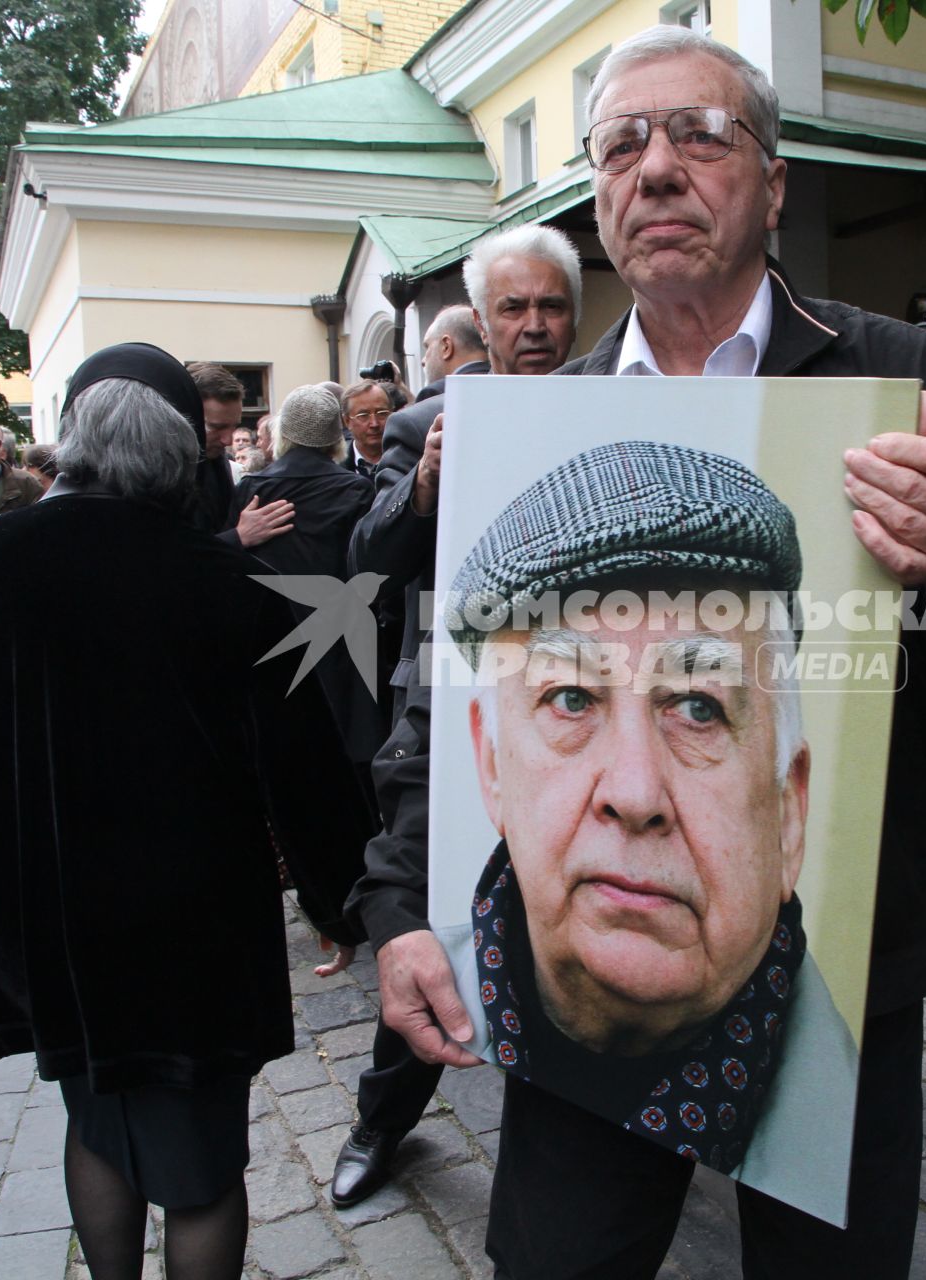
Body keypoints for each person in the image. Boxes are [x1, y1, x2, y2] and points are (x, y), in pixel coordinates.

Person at [359, 28, 926, 1277]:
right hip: (560, 1014)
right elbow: (448, 696)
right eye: (622, 143)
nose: (656, 169)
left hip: (841, 968)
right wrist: (395, 902)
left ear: (774, 179)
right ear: (597, 192)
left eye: (699, 134)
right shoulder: (539, 423)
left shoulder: (906, 379)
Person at [0, 343, 375, 1280]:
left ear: (74, 446)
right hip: (194, 919)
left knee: (97, 1111)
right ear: (184, 457)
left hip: (52, 902)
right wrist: (348, 903)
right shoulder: (229, 580)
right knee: (204, 1161)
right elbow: (302, 769)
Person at [445, 440, 858, 1214]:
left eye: (698, 707)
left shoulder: (836, 1115)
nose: (635, 794)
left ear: (789, 814)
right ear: (491, 764)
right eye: (570, 698)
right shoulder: (458, 975)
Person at [336, 223, 579, 1211]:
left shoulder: (624, 396)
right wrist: (426, 489)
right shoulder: (423, 422)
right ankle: (381, 1118)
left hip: (581, 709)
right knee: (437, 928)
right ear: (481, 321)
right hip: (454, 716)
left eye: (551, 306)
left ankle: (616, 1115)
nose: (533, 325)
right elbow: (366, 556)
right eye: (512, 308)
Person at [226, 385, 386, 808]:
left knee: (289, 764)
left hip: (272, 638)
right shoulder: (354, 490)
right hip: (342, 640)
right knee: (349, 763)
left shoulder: (251, 489)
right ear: (337, 435)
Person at [185, 362, 244, 534]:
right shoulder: (160, 473)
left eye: (234, 427)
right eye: (216, 427)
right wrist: (239, 536)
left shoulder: (217, 462)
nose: (228, 440)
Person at [417, 304, 489, 396]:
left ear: (446, 346)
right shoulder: (506, 385)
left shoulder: (434, 394)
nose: (423, 361)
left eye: (427, 346)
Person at [339, 380, 393, 483]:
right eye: (363, 416)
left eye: (381, 413)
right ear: (347, 421)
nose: (374, 424)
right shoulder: (335, 465)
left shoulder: (408, 460)